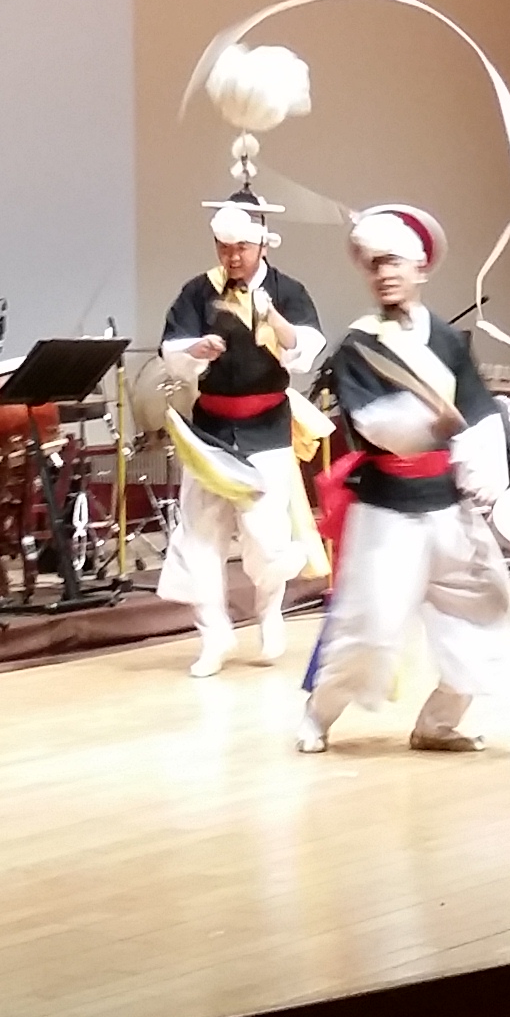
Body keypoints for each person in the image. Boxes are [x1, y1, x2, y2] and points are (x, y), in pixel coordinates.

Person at [301, 204, 510, 756]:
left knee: (485, 610)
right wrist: (433, 424)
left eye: (394, 262)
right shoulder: (359, 346)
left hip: (449, 506)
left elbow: (479, 412)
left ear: (420, 268)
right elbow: (373, 424)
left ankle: (438, 724)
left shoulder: (448, 340)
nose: (384, 273)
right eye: (375, 264)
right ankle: (317, 717)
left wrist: (484, 473)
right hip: (388, 509)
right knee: (369, 628)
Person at [154, 193, 329, 677]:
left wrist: (273, 317)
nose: (232, 257)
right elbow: (173, 348)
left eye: (242, 248)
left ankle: (269, 611)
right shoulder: (198, 291)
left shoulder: (288, 291)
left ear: (262, 245)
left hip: (265, 426)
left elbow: (305, 349)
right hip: (210, 428)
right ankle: (214, 636)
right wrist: (197, 348)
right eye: (224, 247)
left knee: (267, 537)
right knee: (201, 535)